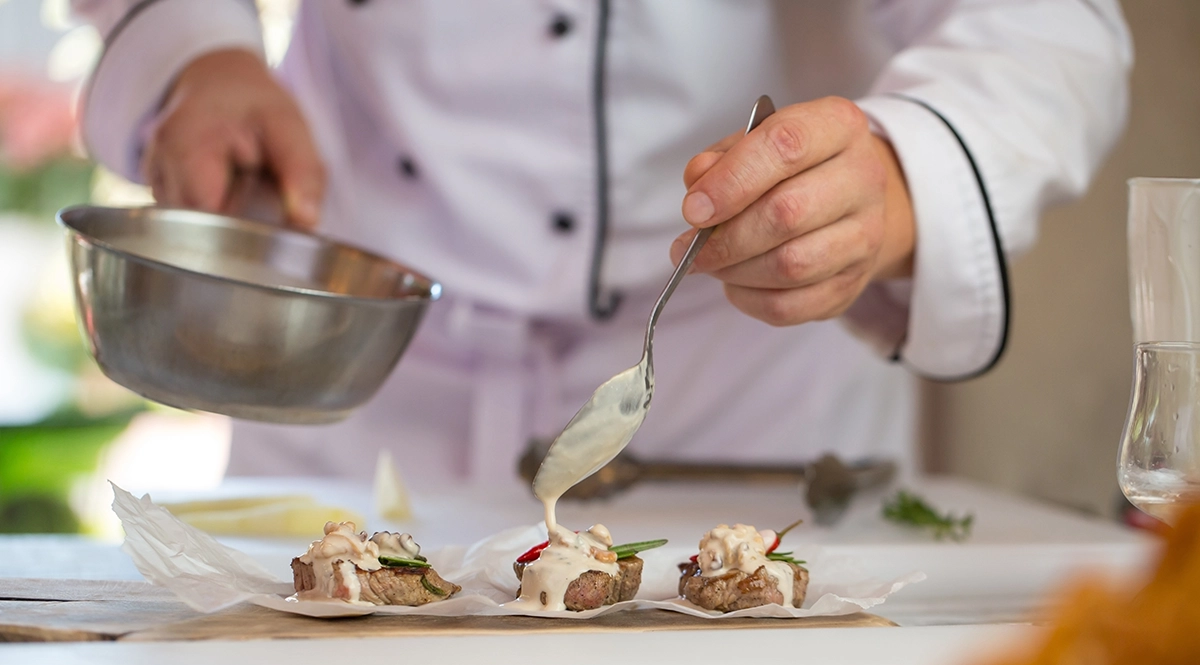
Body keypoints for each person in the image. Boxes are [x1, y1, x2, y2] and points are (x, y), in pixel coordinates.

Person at [73, 1, 1131, 489]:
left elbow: (1051, 27)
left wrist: (902, 177)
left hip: (736, 388)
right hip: (363, 372)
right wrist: (190, 49)